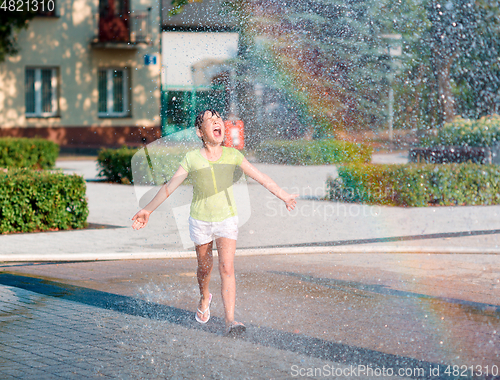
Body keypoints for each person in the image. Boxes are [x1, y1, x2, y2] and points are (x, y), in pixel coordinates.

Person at [131, 109, 298, 335]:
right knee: (204, 268)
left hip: (227, 219)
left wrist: (284, 195)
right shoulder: (192, 158)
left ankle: (230, 321)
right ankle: (203, 297)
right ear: (201, 132)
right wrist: (148, 209)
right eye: (211, 120)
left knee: (227, 267)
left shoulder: (233, 156)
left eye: (219, 119)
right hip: (200, 220)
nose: (218, 122)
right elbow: (169, 186)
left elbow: (261, 178)